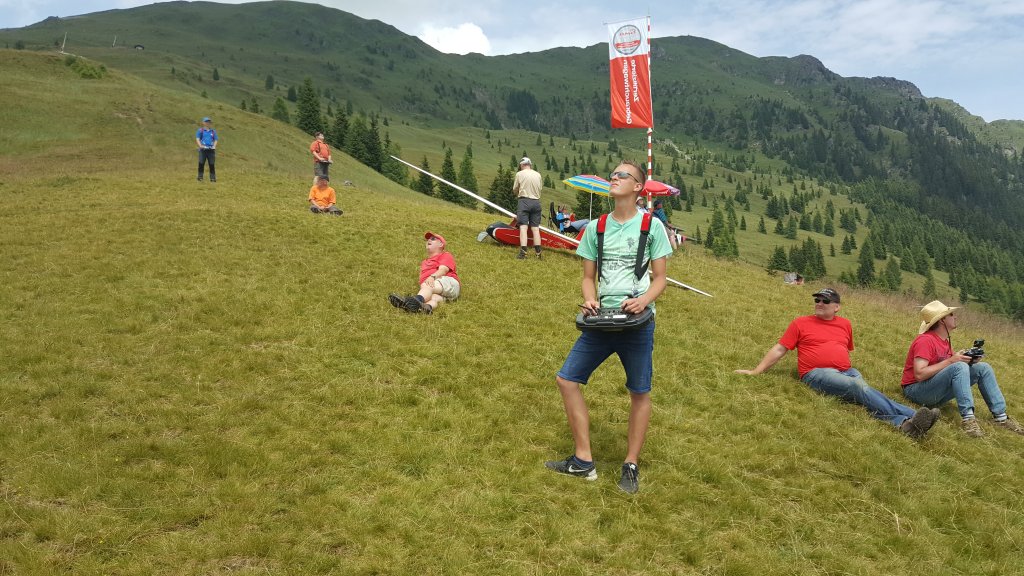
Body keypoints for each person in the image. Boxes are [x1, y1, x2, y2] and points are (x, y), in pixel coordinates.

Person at [545, 161, 672, 494]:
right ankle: (583, 461)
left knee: (639, 391)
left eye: (621, 175)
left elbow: (661, 279)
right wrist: (589, 299)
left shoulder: (652, 226)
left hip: (638, 322)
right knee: (566, 379)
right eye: (612, 175)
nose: (613, 178)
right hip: (600, 319)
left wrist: (643, 300)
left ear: (638, 187)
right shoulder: (596, 227)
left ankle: (631, 463)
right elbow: (588, 278)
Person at [735, 288, 940, 439]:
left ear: (836, 307)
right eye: (817, 299)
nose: (819, 303)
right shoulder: (800, 323)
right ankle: (910, 417)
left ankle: (910, 425)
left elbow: (844, 348)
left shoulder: (845, 324)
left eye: (825, 300)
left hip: (846, 370)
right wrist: (756, 371)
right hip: (816, 373)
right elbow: (780, 349)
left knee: (864, 392)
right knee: (858, 387)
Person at [901, 300, 1024, 437]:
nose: (955, 317)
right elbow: (919, 374)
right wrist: (952, 361)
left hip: (932, 391)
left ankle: (1001, 417)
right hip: (915, 391)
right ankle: (968, 421)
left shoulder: (944, 342)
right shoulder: (925, 340)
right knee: (959, 366)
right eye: (951, 314)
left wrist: (969, 361)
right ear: (942, 320)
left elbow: (948, 368)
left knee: (983, 368)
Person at [388, 231, 461, 315]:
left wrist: (432, 277)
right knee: (433, 298)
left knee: (428, 285)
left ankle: (411, 301)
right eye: (428, 239)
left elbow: (443, 270)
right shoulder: (424, 262)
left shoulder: (445, 255)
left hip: (449, 284)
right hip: (444, 293)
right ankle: (425, 308)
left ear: (441, 244)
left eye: (433, 239)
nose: (429, 240)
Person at [512, 157, 543, 259]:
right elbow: (540, 188)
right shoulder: (538, 174)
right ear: (530, 165)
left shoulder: (519, 174)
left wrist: (518, 194)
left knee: (523, 227)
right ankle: (538, 253)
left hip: (524, 201)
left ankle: (523, 253)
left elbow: (515, 189)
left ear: (522, 165)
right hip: (536, 202)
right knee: (535, 229)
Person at [195, 117, 217, 182]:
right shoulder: (200, 131)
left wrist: (214, 146)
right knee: (201, 163)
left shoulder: (213, 131)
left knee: (211, 164)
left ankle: (213, 178)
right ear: (203, 123)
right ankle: (200, 177)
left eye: (209, 122)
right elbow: (197, 139)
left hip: (211, 150)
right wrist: (200, 146)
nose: (208, 123)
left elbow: (215, 139)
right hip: (203, 150)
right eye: (206, 122)